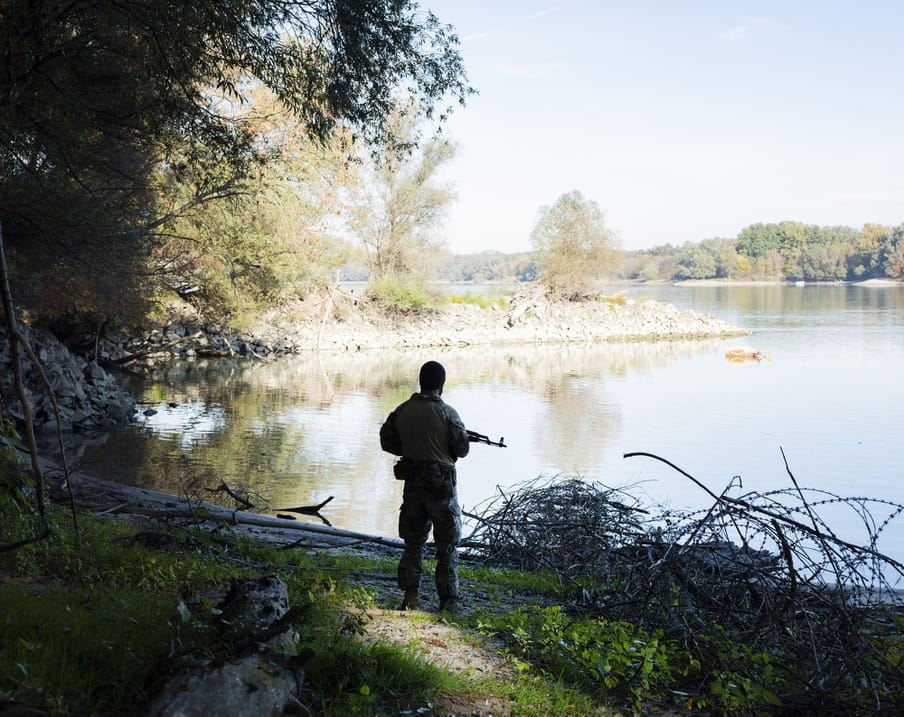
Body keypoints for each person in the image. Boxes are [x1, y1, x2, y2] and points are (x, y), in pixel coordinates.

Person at [379, 360, 470, 613]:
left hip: (414, 485)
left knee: (414, 542)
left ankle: (411, 596)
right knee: (447, 545)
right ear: (442, 384)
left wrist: (410, 448)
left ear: (421, 382)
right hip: (442, 489)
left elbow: (387, 442)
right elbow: (462, 450)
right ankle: (449, 601)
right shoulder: (449, 413)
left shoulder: (402, 410)